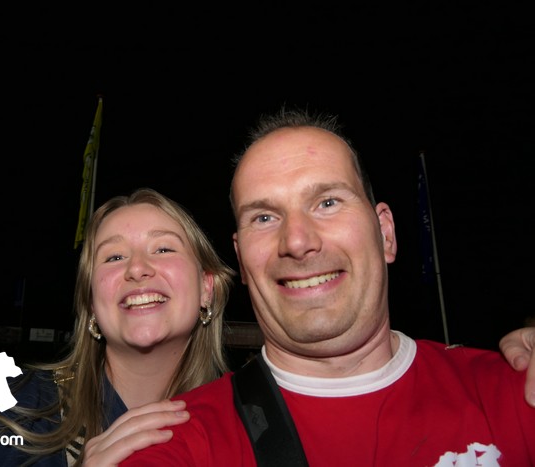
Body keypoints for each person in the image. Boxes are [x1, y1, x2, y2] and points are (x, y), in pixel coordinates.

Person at [120, 108, 535, 466]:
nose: (297, 241)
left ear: (386, 233)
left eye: (328, 203)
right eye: (264, 218)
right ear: (242, 259)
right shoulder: (176, 443)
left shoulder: (515, 392)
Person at [0, 187, 236, 466]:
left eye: (163, 249)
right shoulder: (0, 409)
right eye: (114, 257)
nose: (137, 268)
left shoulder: (249, 423)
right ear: (92, 303)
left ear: (206, 288)